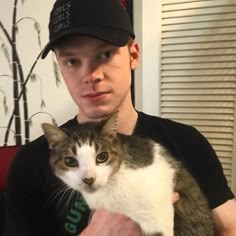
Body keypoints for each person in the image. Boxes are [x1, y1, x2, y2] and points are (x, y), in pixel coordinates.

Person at [4, 0, 236, 235]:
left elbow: (230, 227)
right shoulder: (30, 164)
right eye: (72, 61)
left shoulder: (187, 141)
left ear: (133, 55)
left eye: (105, 54)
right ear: (61, 67)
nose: (91, 75)